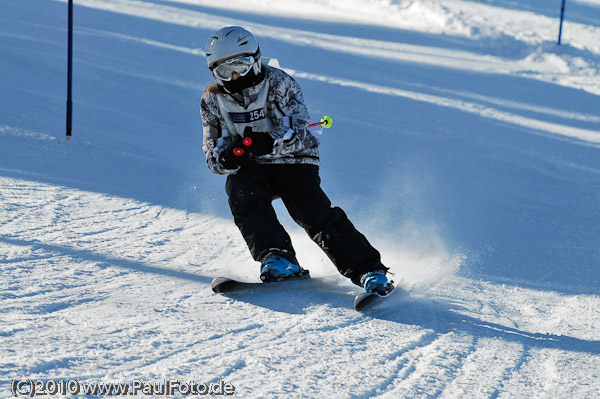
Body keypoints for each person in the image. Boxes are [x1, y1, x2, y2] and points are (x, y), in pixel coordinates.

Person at [200, 26, 393, 296]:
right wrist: (230, 155)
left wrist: (271, 141)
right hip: (252, 165)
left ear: (255, 60)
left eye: (241, 66)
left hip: (294, 160)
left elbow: (300, 131)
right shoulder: (212, 100)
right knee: (240, 190)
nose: (234, 76)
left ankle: (368, 270)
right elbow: (213, 154)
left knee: (309, 209)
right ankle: (278, 257)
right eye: (224, 71)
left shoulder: (279, 83)